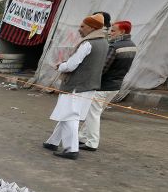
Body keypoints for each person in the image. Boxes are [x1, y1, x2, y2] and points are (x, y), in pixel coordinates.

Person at [43, 13, 108, 159]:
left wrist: (60, 66)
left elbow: (71, 65)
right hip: (89, 86)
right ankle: (53, 141)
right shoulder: (104, 43)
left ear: (92, 27)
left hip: (76, 86)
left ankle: (71, 149)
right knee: (67, 114)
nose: (80, 29)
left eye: (83, 26)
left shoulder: (88, 43)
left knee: (70, 116)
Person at [78, 19, 136, 152]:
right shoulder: (132, 45)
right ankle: (82, 137)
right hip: (116, 85)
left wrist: (89, 81)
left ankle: (92, 142)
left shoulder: (114, 47)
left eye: (113, 30)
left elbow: (102, 68)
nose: (110, 33)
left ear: (122, 31)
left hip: (104, 86)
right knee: (94, 113)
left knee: (93, 114)